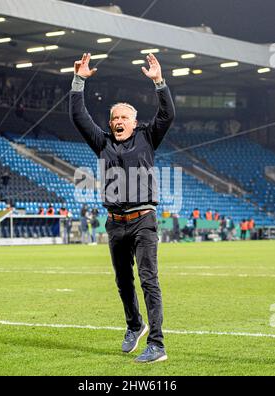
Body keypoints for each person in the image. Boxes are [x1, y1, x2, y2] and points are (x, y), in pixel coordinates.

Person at [70, 52, 175, 363]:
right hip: (115, 222)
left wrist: (159, 82)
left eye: (123, 117)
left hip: (144, 218)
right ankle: (135, 325)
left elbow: (167, 115)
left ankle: (157, 344)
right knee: (122, 281)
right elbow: (79, 117)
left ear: (134, 122)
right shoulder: (102, 142)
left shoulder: (148, 137)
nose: (117, 122)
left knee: (148, 278)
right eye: (114, 118)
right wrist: (78, 81)